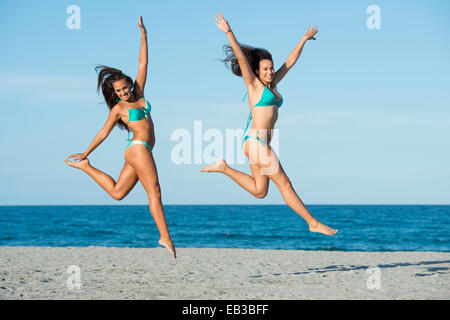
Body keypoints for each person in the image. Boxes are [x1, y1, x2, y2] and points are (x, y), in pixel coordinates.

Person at [201, 13, 337, 236]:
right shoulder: (254, 87)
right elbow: (242, 60)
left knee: (260, 190)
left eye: (271, 68)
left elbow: (290, 62)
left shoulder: (273, 86)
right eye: (265, 69)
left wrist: (303, 39)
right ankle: (312, 222)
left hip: (254, 143)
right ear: (257, 71)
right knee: (284, 182)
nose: (270, 71)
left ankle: (223, 167)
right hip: (255, 142)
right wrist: (229, 32)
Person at [64, 16, 176, 258]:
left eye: (126, 87)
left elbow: (143, 62)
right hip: (138, 148)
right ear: (114, 94)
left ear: (129, 84)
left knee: (117, 193)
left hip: (139, 150)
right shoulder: (119, 109)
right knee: (154, 192)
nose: (124, 92)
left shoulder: (140, 94)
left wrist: (144, 34)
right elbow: (103, 132)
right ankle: (164, 236)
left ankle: (86, 167)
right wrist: (86, 149)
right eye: (119, 91)